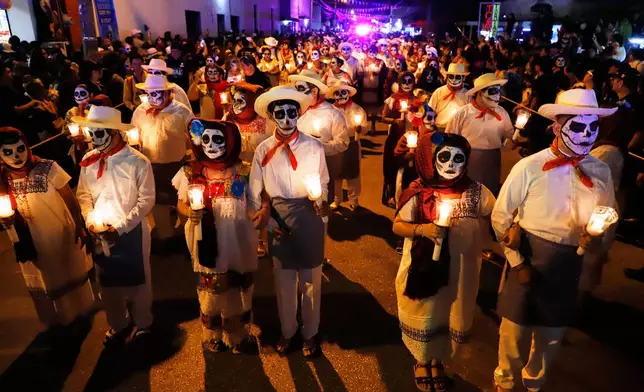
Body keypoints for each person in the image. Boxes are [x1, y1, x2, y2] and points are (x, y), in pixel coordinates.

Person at [491, 89, 617, 392]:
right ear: (558, 127)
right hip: (529, 255)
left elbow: (609, 212)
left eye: (593, 127)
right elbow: (501, 217)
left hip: (569, 260)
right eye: (577, 126)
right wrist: (516, 261)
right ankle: (505, 381)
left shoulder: (601, 171)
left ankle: (534, 381)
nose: (586, 134)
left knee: (552, 331)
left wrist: (596, 236)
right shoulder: (530, 166)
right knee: (513, 328)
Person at [393, 132, 496, 392]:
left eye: (458, 158)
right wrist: (422, 230)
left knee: (452, 313)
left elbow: (497, 215)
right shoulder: (417, 191)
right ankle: (422, 360)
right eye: (444, 157)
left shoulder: (476, 191)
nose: (451, 165)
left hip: (462, 269)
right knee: (428, 312)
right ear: (429, 159)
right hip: (425, 269)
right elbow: (398, 225)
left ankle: (438, 359)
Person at [250, 85, 329, 358]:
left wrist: (321, 201)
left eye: (291, 112)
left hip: (308, 216)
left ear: (298, 114)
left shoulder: (314, 146)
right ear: (272, 116)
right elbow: (255, 190)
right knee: (284, 282)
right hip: (279, 218)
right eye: (280, 113)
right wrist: (267, 220)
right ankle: (288, 330)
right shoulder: (263, 150)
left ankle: (310, 333)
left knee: (310, 281)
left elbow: (324, 182)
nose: (286, 119)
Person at [173, 118, 258, 354]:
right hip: (206, 239)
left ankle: (237, 335)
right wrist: (190, 211)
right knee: (210, 291)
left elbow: (253, 204)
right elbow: (180, 203)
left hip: (238, 239)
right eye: (206, 139)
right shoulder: (190, 170)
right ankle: (212, 335)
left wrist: (257, 217)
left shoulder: (244, 170)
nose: (211, 145)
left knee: (235, 288)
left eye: (218, 139)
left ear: (230, 142)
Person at [0, 127, 94, 333]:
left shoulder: (47, 167)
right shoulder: (2, 179)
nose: (15, 157)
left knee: (66, 273)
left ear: (27, 146)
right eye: (7, 152)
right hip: (28, 241)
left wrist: (80, 226)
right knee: (46, 282)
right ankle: (57, 321)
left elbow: (69, 197)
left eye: (19, 149)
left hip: (58, 233)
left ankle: (78, 317)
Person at [75, 106, 156, 345]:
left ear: (115, 132)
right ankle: (118, 322)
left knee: (138, 279)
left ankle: (143, 321)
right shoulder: (88, 162)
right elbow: (83, 195)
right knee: (107, 280)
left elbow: (146, 200)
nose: (93, 139)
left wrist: (120, 227)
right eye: (91, 133)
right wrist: (90, 220)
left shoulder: (137, 162)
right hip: (100, 231)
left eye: (99, 133)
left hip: (132, 231)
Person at [132, 75, 193, 247]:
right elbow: (132, 134)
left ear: (168, 92)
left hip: (178, 165)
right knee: (157, 202)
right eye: (151, 93)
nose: (155, 97)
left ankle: (187, 239)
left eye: (159, 93)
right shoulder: (140, 112)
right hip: (151, 166)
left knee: (182, 201)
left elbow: (193, 138)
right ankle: (165, 238)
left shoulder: (182, 111)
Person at [446, 73, 514, 196]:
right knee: (468, 194)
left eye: (499, 91)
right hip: (468, 159)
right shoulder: (463, 113)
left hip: (492, 159)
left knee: (488, 194)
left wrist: (511, 140)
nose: (497, 96)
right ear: (480, 93)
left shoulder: (502, 113)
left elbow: (509, 136)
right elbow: (450, 138)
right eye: (493, 91)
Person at [290, 70, 349, 206]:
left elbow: (343, 143)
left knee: (321, 209)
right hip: (296, 170)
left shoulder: (333, 114)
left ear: (314, 91)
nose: (297, 94)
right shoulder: (295, 111)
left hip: (321, 172)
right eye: (296, 89)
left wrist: (319, 146)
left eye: (301, 89)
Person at [329, 81, 366, 211]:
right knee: (336, 173)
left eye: (343, 92)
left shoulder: (357, 109)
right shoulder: (330, 110)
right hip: (336, 144)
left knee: (353, 174)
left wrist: (360, 129)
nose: (340, 95)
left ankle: (353, 199)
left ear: (348, 94)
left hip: (352, 143)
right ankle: (336, 199)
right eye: (337, 93)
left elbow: (364, 125)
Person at [382, 72, 416, 207]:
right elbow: (383, 117)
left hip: (412, 137)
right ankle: (391, 195)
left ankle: (407, 195)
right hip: (396, 137)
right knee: (393, 166)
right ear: (399, 84)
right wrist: (395, 121)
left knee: (409, 166)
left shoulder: (417, 99)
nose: (407, 84)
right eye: (404, 82)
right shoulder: (392, 99)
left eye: (410, 81)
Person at [429, 63, 470, 131]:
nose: (454, 80)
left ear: (463, 78)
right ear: (447, 77)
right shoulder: (439, 91)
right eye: (451, 76)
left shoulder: (467, 94)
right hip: (440, 128)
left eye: (457, 77)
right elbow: (430, 110)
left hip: (458, 130)